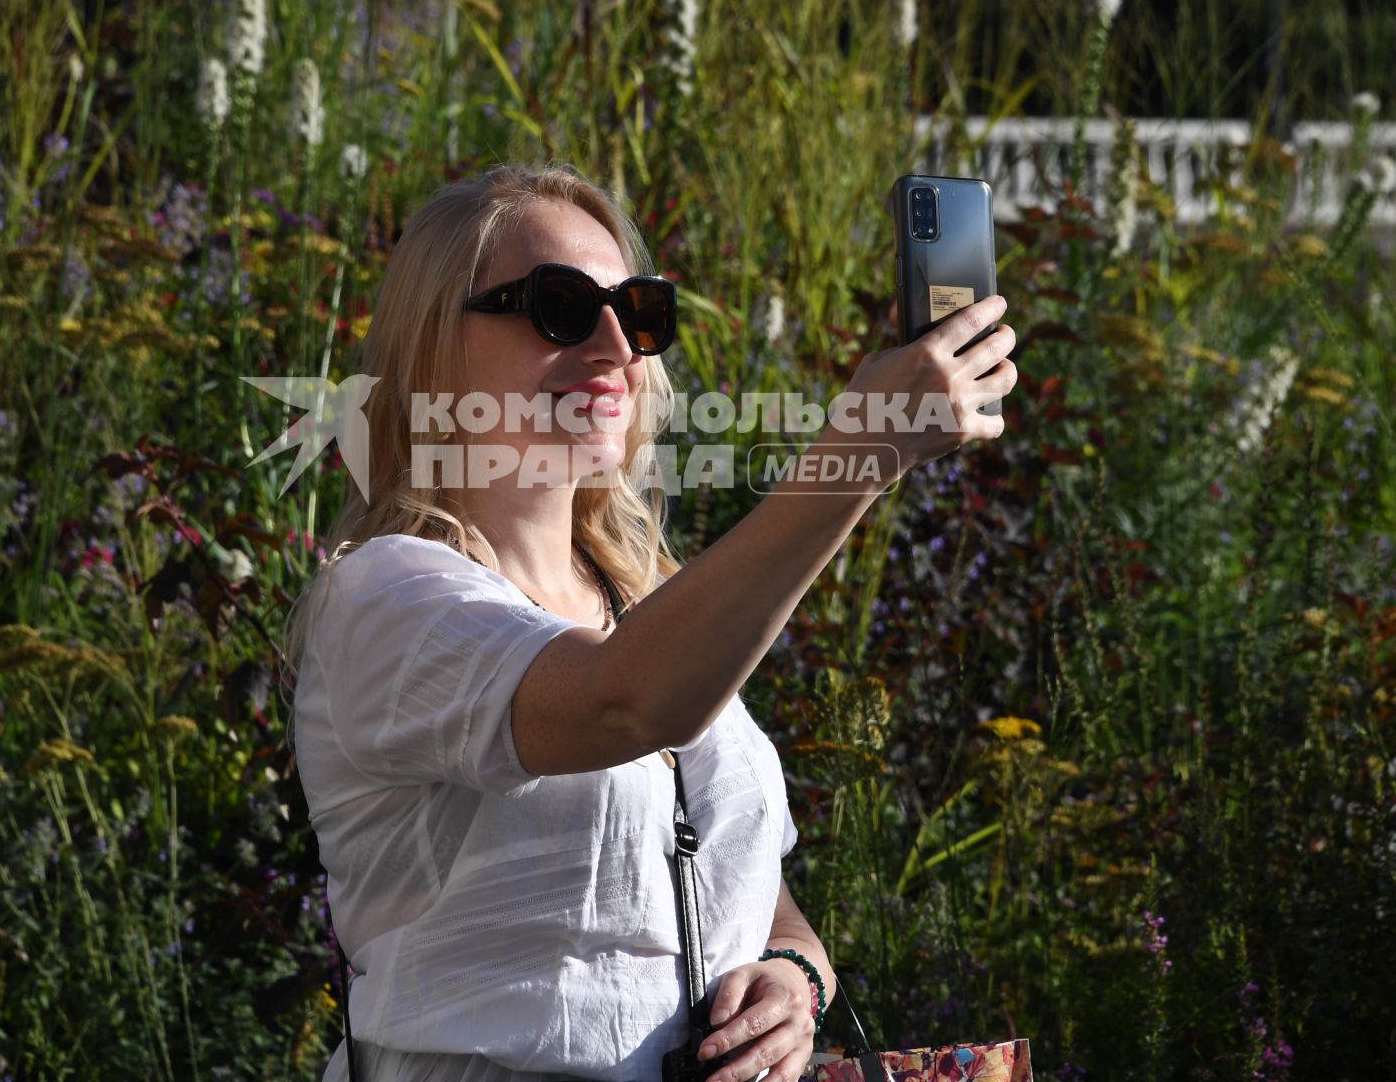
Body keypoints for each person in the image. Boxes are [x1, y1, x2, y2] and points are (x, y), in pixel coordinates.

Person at [281, 163, 1018, 1082]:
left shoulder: (645, 596)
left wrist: (795, 976)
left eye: (638, 312)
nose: (614, 344)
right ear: (434, 344)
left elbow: (745, 875)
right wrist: (860, 452)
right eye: (557, 306)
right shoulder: (387, 600)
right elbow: (623, 704)